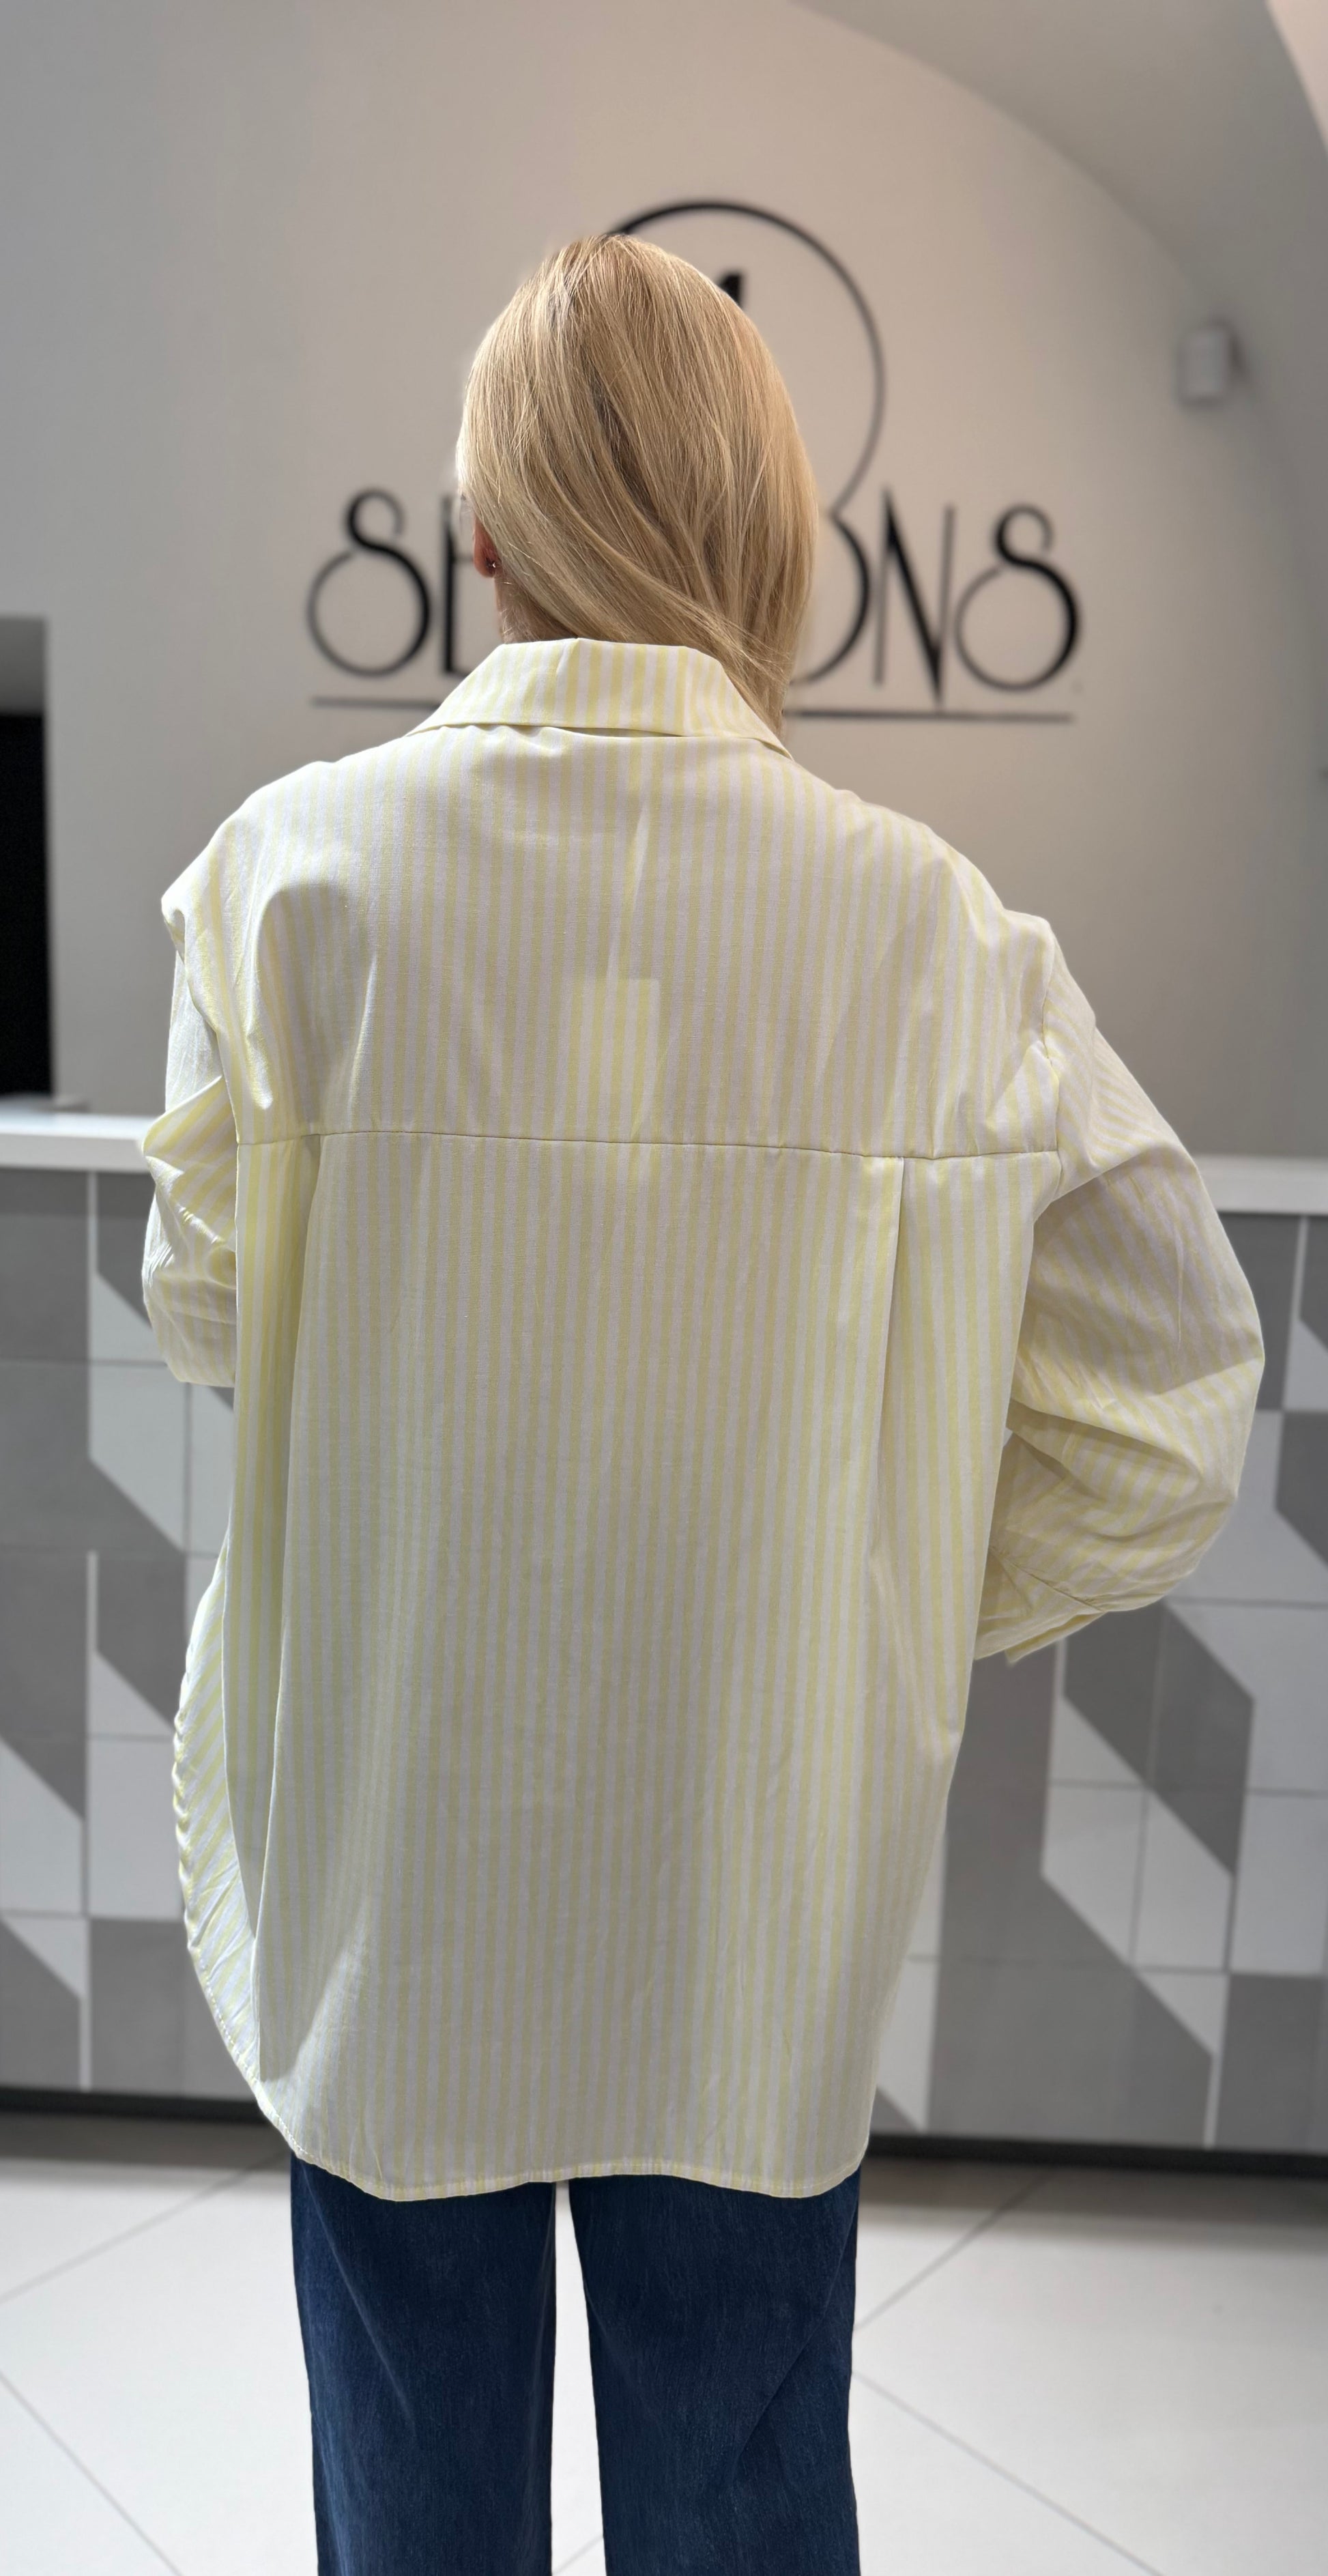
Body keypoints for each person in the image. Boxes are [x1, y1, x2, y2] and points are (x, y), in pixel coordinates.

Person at [141, 235, 1262, 2575]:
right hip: (747, 1886)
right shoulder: (934, 934)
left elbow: (212, 1311)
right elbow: (1167, 1403)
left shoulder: (287, 886)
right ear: (771, 529)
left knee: (410, 2501)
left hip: (389, 1864)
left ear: (480, 537)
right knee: (740, 2496)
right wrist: (873, 1586)